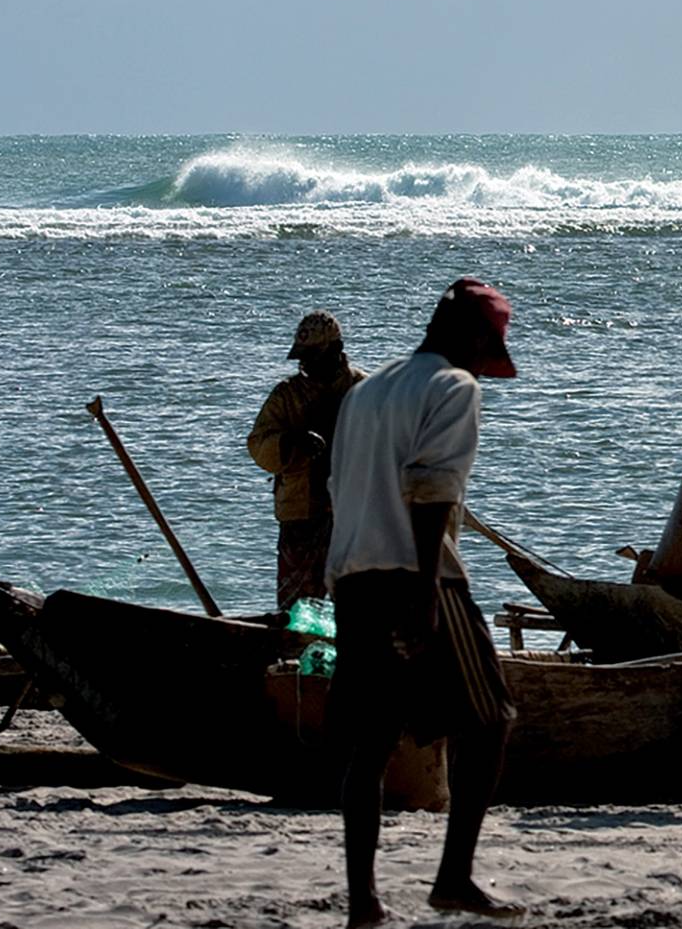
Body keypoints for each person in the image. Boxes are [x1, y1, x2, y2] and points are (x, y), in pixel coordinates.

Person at [325, 279, 521, 927]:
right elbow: (431, 492)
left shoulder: (365, 391)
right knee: (489, 718)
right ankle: (453, 876)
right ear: (471, 337)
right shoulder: (455, 388)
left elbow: (340, 488)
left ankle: (364, 902)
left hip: (352, 576)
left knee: (371, 742)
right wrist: (424, 594)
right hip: (419, 572)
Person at [248, 310, 367, 609]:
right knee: (295, 608)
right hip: (301, 515)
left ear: (337, 351)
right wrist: (291, 441)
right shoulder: (286, 396)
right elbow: (258, 445)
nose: (306, 364)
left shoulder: (366, 390)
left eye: (314, 356)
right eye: (303, 357)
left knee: (360, 606)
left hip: (356, 516)